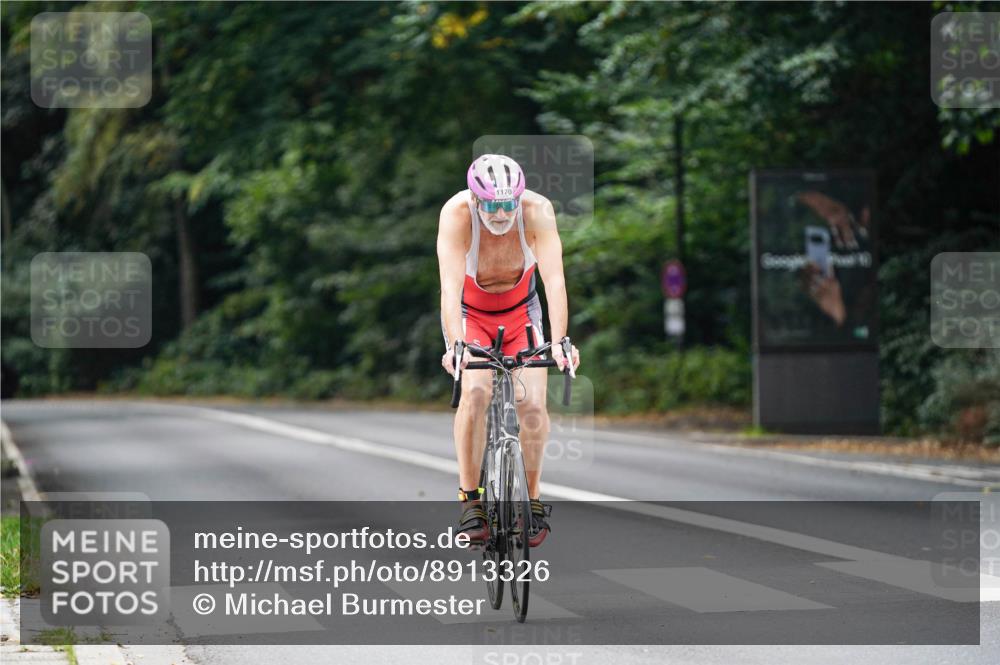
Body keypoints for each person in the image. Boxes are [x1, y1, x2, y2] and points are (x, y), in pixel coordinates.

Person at [437, 154, 579, 547]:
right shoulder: (456, 215)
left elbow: (554, 282)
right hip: (472, 316)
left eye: (508, 204)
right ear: (475, 199)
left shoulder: (537, 211)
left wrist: (560, 342)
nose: (500, 214)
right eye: (491, 205)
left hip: (521, 313)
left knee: (533, 405)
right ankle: (470, 501)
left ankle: (531, 502)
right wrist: (456, 346)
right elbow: (449, 289)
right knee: (477, 392)